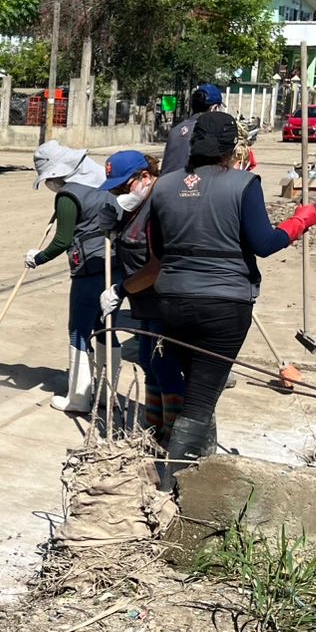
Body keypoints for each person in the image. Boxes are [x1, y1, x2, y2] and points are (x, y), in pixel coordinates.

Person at [149, 114, 316, 488]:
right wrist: (299, 222)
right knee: (201, 399)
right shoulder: (243, 184)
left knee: (197, 386)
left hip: (171, 301)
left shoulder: (162, 187)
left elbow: (158, 248)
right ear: (231, 150)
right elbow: (263, 243)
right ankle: (175, 486)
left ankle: (197, 467)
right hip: (224, 306)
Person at [25, 139, 121, 415]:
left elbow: (63, 241)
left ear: (57, 173)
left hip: (88, 270)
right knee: (107, 327)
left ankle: (78, 398)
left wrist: (37, 257)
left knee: (79, 330)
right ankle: (107, 395)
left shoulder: (68, 196)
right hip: (114, 265)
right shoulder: (103, 181)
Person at [96, 151, 185, 443]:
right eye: (116, 189)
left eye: (125, 186)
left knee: (164, 365)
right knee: (148, 361)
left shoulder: (161, 204)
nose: (121, 193)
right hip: (145, 302)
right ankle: (154, 429)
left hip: (164, 300)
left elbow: (158, 265)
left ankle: (176, 437)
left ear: (145, 176)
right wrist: (117, 227)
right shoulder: (140, 204)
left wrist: (120, 290)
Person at [161, 83, 225, 174]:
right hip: (190, 186)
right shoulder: (210, 133)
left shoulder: (175, 130)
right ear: (214, 108)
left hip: (166, 184)